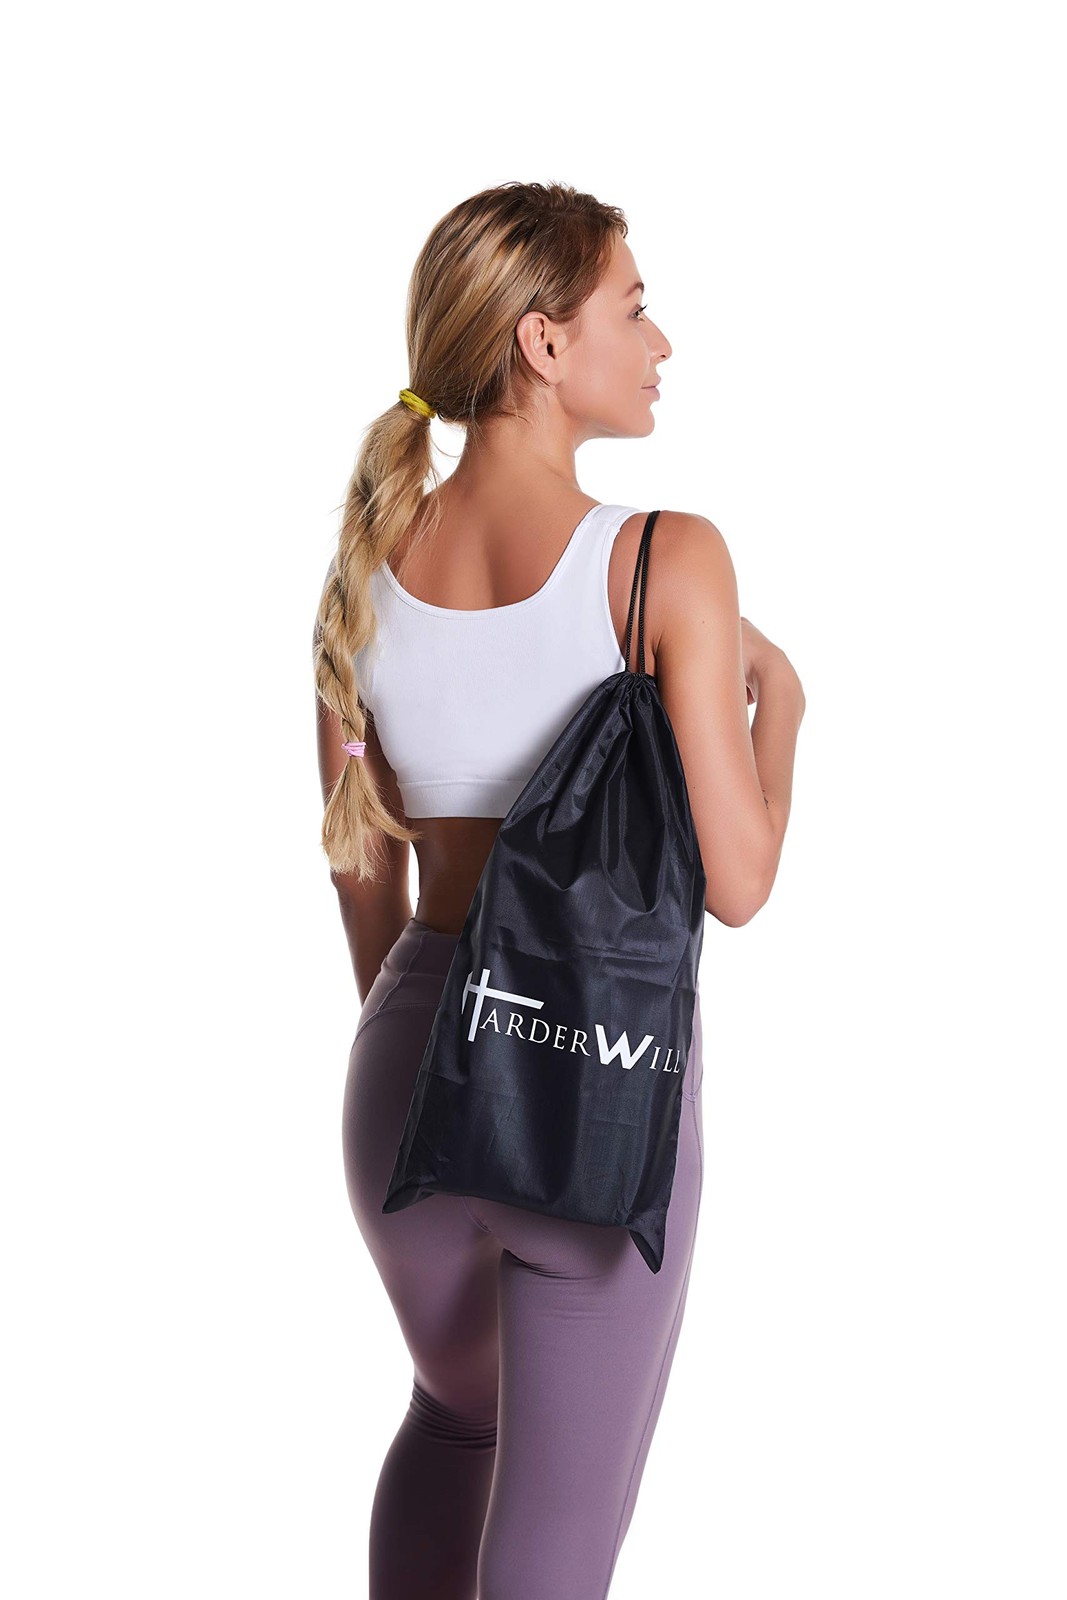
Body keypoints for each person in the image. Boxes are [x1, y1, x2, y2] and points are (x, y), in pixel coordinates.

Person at [312, 180, 805, 1600]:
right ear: (542, 341)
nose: (661, 342)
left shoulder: (361, 567)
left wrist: (444, 1042)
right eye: (634, 308)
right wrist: (785, 706)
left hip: (403, 1070)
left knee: (452, 1420)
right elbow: (739, 884)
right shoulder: (665, 559)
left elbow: (362, 864)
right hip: (591, 1067)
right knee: (556, 1547)